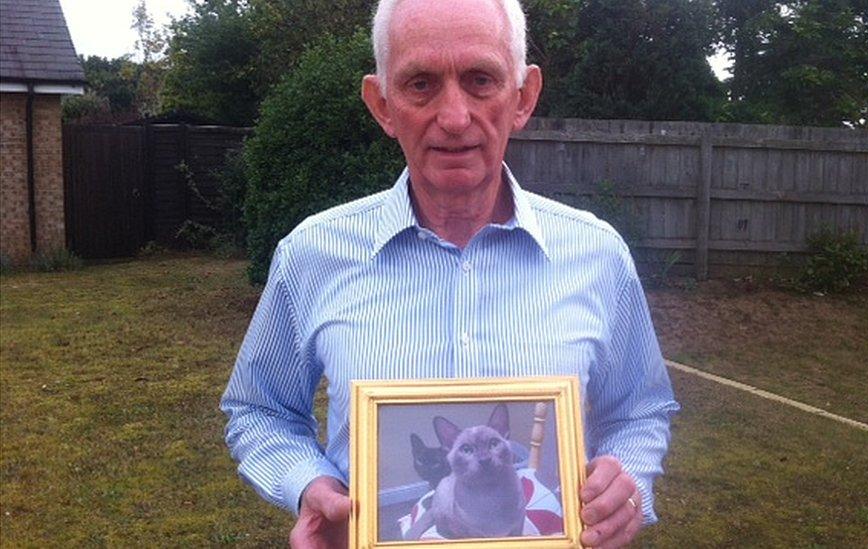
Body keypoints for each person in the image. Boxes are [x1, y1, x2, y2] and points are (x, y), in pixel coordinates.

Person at [220, 0, 679, 546]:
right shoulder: (312, 254)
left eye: (481, 79)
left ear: (523, 97)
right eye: (420, 84)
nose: (455, 116)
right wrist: (307, 483)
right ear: (382, 104)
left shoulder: (597, 254)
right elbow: (258, 409)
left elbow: (640, 410)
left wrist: (623, 485)